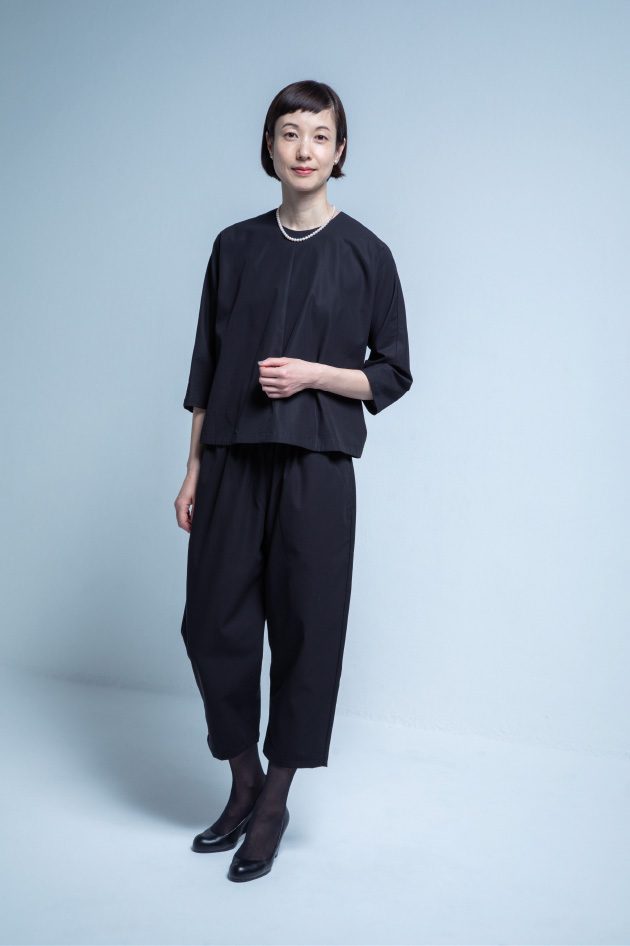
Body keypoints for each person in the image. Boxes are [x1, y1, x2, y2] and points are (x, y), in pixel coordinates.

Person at [174, 79, 413, 883]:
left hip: (316, 466)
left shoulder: (367, 253)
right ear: (270, 146)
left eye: (320, 135)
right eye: (289, 133)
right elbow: (206, 367)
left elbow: (392, 372)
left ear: (340, 151)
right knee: (210, 624)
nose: (304, 148)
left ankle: (274, 803)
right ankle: (243, 781)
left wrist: (315, 374)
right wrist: (193, 466)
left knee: (308, 632)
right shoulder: (233, 246)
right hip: (233, 459)